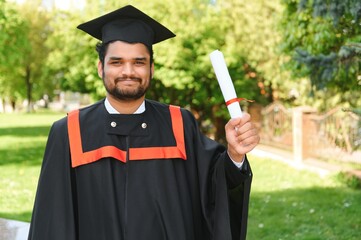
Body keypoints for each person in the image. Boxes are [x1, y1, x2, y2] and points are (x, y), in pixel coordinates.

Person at [28, 5, 260, 240]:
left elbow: (215, 190)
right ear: (101, 68)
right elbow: (52, 220)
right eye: (116, 62)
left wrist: (234, 155)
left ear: (151, 68)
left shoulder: (179, 123)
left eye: (139, 62)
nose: (128, 71)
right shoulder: (69, 131)